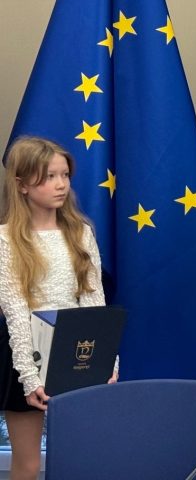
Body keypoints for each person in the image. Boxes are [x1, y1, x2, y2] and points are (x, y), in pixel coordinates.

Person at [0, 136, 116, 480]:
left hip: (76, 353)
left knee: (81, 459)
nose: (61, 184)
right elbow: (16, 310)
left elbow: (94, 303)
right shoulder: (5, 239)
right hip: (23, 356)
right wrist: (29, 378)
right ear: (22, 184)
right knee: (28, 465)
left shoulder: (80, 233)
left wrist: (106, 361)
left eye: (65, 175)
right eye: (49, 177)